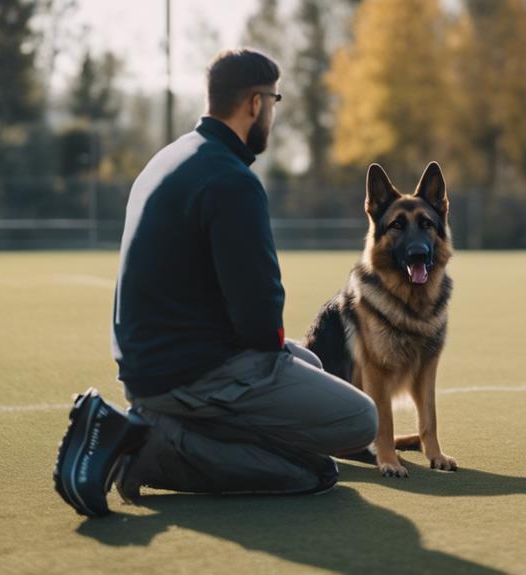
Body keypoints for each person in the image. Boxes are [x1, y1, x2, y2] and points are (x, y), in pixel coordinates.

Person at [54, 49, 378, 517]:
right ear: (253, 104)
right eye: (274, 101)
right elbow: (259, 320)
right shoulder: (232, 181)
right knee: (351, 429)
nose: (273, 113)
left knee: (310, 362)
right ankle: (140, 448)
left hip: (151, 365)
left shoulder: (168, 158)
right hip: (191, 373)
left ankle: (164, 423)